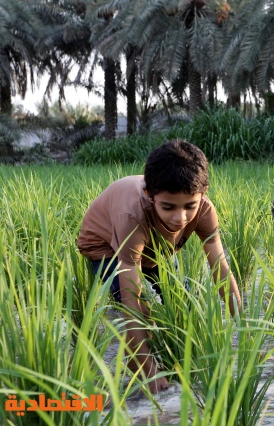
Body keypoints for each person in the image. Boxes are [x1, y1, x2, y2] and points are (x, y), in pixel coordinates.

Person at [77, 139, 241, 394]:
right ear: (149, 195)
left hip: (156, 248)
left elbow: (220, 266)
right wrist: (147, 370)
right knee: (146, 307)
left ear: (203, 192)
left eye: (190, 206)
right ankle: (139, 363)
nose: (180, 218)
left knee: (184, 303)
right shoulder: (132, 215)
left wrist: (243, 326)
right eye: (168, 207)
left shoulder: (205, 211)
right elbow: (132, 300)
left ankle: (176, 357)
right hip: (106, 246)